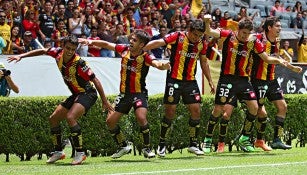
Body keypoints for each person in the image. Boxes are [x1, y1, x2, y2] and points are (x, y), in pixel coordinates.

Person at [7, 35, 114, 165]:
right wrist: (21, 56)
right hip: (76, 94)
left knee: (70, 117)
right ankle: (58, 152)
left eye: (73, 49)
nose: (70, 51)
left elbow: (95, 80)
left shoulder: (80, 63)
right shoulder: (57, 52)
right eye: (68, 48)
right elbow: (42, 51)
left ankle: (80, 153)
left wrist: (104, 101)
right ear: (63, 46)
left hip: (88, 93)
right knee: (53, 118)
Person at [202, 15, 289, 153]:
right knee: (218, 110)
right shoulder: (228, 35)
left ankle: (244, 138)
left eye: (248, 34)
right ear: (238, 29)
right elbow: (209, 32)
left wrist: (280, 61)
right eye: (244, 33)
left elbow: (266, 58)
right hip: (227, 79)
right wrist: (207, 22)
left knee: (254, 107)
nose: (246, 36)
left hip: (243, 80)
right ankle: (207, 140)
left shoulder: (253, 41)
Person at [79, 29, 171, 159]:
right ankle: (123, 145)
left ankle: (147, 148)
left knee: (141, 117)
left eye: (135, 40)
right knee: (110, 122)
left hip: (139, 94)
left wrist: (163, 65)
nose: (131, 42)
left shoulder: (145, 57)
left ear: (141, 45)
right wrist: (89, 41)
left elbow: (157, 64)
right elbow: (106, 44)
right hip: (124, 95)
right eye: (131, 39)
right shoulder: (124, 49)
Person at [143, 19, 216, 157]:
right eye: (194, 35)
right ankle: (162, 144)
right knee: (170, 112)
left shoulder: (202, 44)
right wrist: (143, 48)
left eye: (199, 36)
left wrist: (210, 81)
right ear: (189, 30)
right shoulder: (178, 36)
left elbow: (204, 62)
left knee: (196, 111)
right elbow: (159, 42)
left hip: (190, 82)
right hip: (173, 80)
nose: (196, 38)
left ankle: (193, 144)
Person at [249, 17, 302, 151]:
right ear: (269, 28)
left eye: (280, 26)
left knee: (282, 107)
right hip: (258, 79)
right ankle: (252, 139)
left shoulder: (277, 41)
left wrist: (291, 67)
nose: (280, 28)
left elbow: (277, 58)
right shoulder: (258, 39)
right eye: (277, 26)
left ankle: (276, 140)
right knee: (259, 111)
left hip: (271, 80)